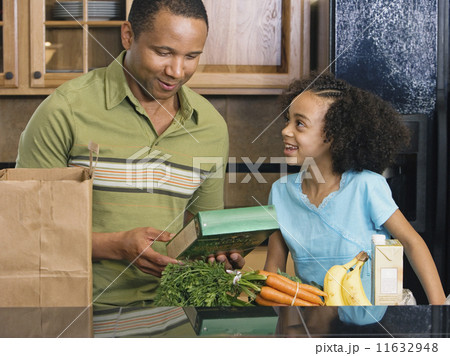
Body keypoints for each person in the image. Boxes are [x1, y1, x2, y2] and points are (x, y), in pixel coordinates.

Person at [16, 0, 243, 309]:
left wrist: (219, 251)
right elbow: (23, 228)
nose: (177, 71)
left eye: (191, 56)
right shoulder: (65, 110)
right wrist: (116, 246)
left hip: (173, 312)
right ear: (127, 35)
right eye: (163, 52)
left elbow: (201, 228)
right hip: (75, 310)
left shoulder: (210, 127)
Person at [264, 72, 446, 307]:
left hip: (375, 318)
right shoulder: (280, 192)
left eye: (299, 123)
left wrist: (440, 310)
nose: (286, 130)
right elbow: (274, 271)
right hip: (313, 319)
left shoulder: (366, 186)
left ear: (335, 134)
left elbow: (412, 243)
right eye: (287, 121)